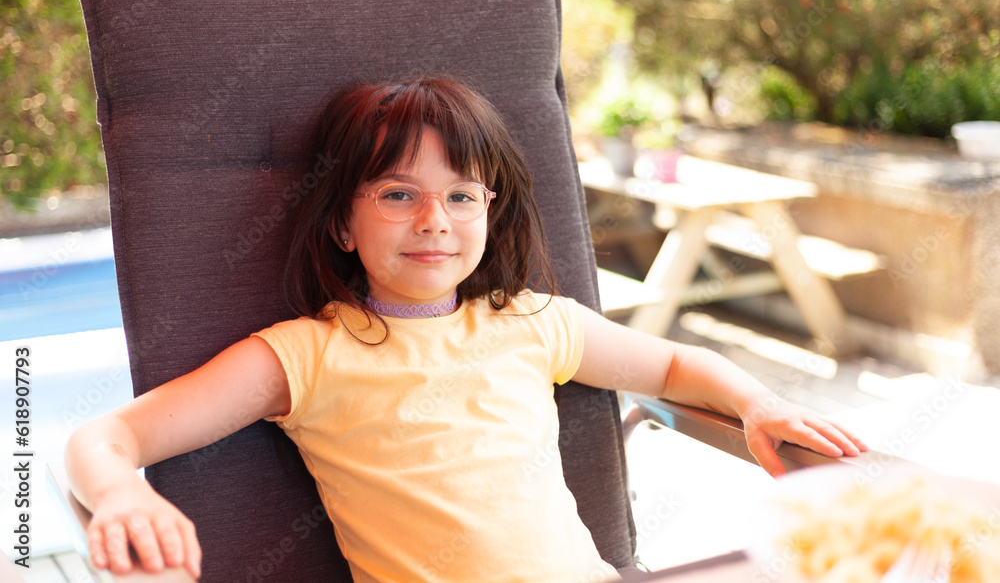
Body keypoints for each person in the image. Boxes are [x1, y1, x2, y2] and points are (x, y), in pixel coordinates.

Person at [65, 76, 866, 582]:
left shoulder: (534, 321)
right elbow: (102, 438)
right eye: (397, 194)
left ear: (489, 211)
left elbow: (673, 367)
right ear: (342, 223)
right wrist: (123, 493)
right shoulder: (306, 355)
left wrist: (759, 404)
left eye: (460, 196)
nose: (434, 220)